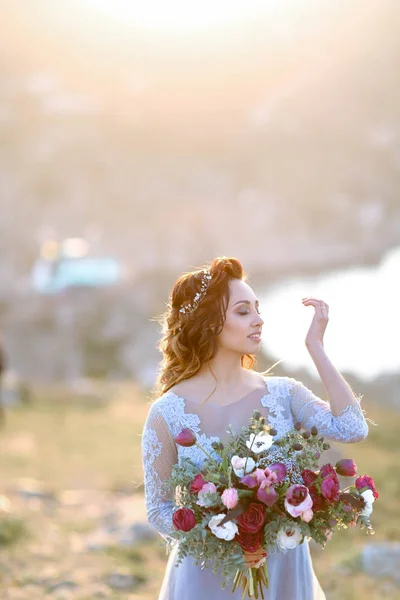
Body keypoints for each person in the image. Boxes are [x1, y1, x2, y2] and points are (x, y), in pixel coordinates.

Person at [141, 256, 369, 600]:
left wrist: (316, 348)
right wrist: (221, 530)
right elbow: (158, 509)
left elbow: (352, 427)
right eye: (243, 311)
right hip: (207, 573)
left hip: (284, 568)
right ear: (209, 323)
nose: (259, 320)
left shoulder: (285, 393)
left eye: (257, 309)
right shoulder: (167, 413)